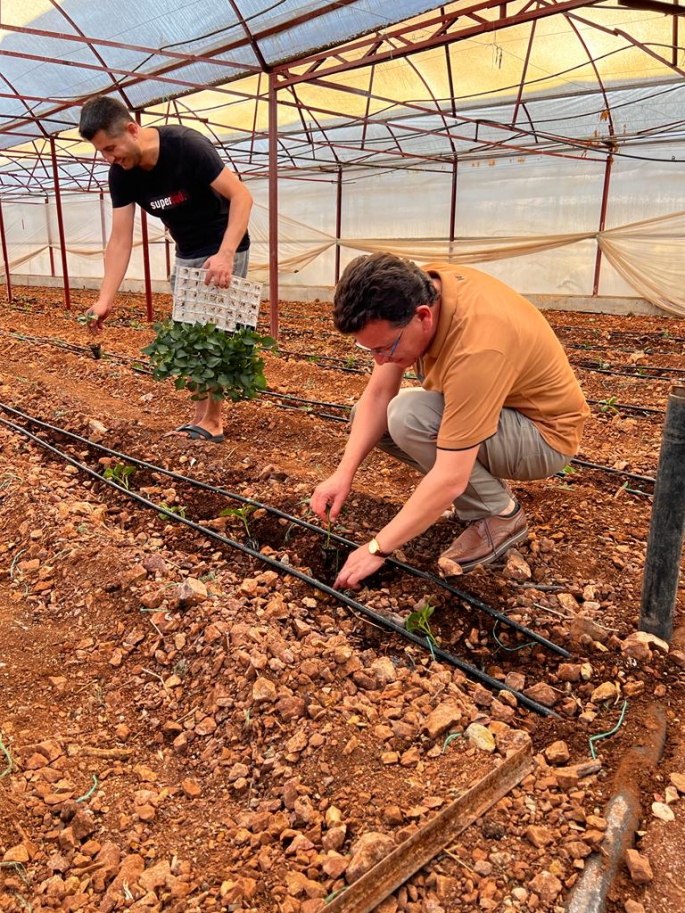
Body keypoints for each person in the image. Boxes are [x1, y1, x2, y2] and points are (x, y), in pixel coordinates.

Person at [311, 253, 589, 589]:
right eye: (369, 349)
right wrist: (343, 475)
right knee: (375, 418)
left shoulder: (478, 347)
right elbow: (378, 395)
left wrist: (377, 548)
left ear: (423, 317)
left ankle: (499, 514)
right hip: (500, 416)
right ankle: (485, 494)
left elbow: (449, 479)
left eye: (385, 347)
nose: (380, 359)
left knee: (408, 416)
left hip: (542, 436)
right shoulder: (419, 289)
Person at [78, 96, 253, 443]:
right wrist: (104, 299)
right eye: (102, 152)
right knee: (189, 336)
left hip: (224, 243)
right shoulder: (123, 174)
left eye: (112, 148)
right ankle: (200, 417)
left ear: (132, 130)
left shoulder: (186, 147)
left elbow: (242, 197)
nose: (110, 158)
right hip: (187, 250)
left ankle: (214, 422)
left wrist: (225, 253)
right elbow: (120, 240)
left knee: (215, 334)